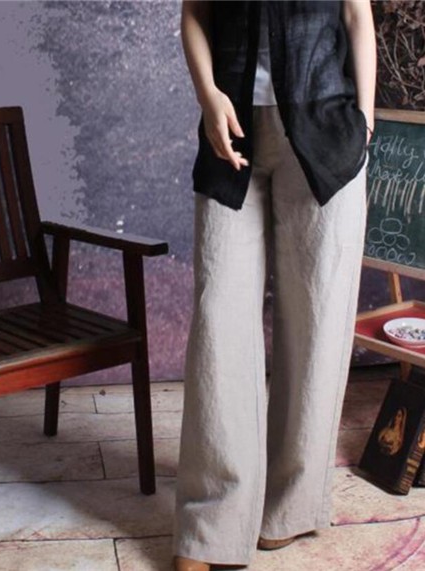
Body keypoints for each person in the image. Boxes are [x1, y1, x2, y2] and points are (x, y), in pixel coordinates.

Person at [172, 1, 377, 570]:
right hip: (231, 134)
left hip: (325, 131)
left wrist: (364, 121)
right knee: (219, 325)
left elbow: (357, 16)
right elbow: (194, 14)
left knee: (316, 325)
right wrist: (208, 96)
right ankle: (210, 526)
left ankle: (289, 507)